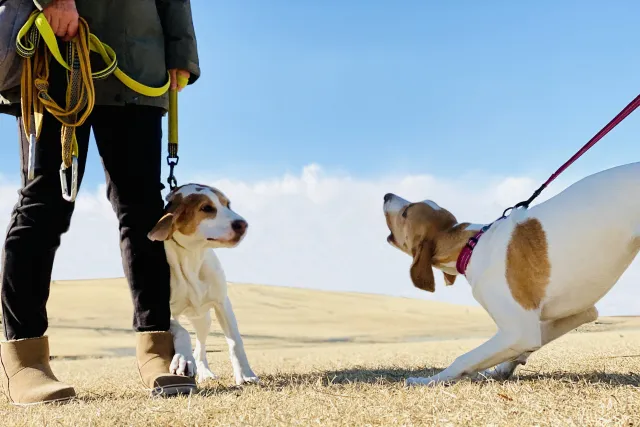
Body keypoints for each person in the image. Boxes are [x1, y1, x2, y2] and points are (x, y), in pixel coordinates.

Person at [0, 0, 200, 405]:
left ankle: (156, 348)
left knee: (144, 210)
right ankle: (25, 358)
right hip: (54, 55)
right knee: (45, 204)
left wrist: (180, 51)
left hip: (139, 60)